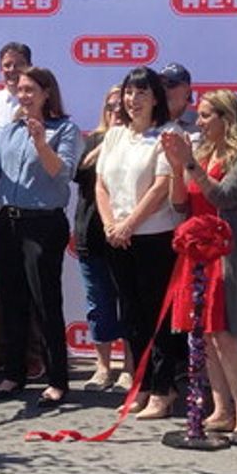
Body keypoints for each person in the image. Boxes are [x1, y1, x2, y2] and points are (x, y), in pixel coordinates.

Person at [164, 89, 237, 443]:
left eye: (207, 115)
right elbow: (181, 206)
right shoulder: (204, 153)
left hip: (229, 256)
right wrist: (178, 168)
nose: (200, 121)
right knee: (205, 336)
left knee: (224, 335)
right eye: (200, 115)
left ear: (227, 118)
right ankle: (220, 410)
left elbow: (224, 196)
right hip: (199, 259)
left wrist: (190, 163)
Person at [0, 67, 80, 408]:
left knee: (45, 301)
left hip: (43, 223)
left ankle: (57, 379)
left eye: (31, 89)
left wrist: (39, 141)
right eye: (20, 90)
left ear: (47, 92)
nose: (24, 96)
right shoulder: (8, 130)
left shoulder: (63, 129)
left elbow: (59, 173)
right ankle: (14, 374)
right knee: (11, 300)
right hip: (9, 220)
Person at [95, 66, 183, 419]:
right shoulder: (115, 135)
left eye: (142, 92)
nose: (134, 100)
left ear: (156, 98)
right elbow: (100, 184)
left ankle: (165, 388)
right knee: (131, 317)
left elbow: (162, 187)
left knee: (156, 315)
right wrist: (111, 225)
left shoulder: (168, 133)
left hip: (154, 236)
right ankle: (141, 386)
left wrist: (130, 223)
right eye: (130, 92)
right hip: (117, 238)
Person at [0, 42, 45, 380]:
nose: (11, 70)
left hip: (31, 208)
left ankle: (32, 353)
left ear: (29, 67)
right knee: (0, 283)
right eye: (6, 65)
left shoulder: (40, 104)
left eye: (18, 64)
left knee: (30, 282)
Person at [74, 86, 131, 392]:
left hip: (125, 236)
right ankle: (102, 366)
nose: (117, 113)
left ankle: (129, 367)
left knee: (127, 304)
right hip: (91, 235)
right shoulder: (94, 139)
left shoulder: (137, 143)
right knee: (99, 304)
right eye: (111, 108)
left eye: (122, 109)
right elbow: (81, 173)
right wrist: (108, 142)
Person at [159, 62, 198, 137]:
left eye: (170, 84)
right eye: (161, 85)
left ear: (187, 92)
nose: (164, 89)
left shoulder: (200, 123)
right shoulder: (148, 123)